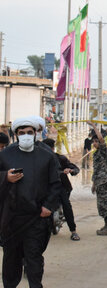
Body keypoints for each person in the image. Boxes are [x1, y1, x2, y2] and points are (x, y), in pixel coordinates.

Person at [0, 117, 62, 288]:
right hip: (12, 219)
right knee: (11, 259)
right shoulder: (5, 155)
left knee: (34, 259)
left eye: (29, 132)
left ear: (35, 134)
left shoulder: (47, 156)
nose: (25, 136)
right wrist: (5, 177)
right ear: (16, 135)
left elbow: (56, 184)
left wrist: (48, 207)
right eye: (21, 133)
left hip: (36, 218)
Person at [42, 138, 81, 241]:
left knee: (67, 206)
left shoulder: (61, 158)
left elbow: (75, 169)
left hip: (61, 187)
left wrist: (70, 170)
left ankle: (73, 232)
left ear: (52, 148)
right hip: (47, 188)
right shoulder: (40, 160)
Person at [87, 121, 107, 236]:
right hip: (99, 182)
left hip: (104, 181)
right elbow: (96, 170)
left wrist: (94, 126)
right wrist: (94, 184)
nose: (95, 143)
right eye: (93, 142)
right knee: (101, 205)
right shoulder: (96, 154)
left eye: (96, 141)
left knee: (104, 204)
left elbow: (102, 140)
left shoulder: (103, 151)